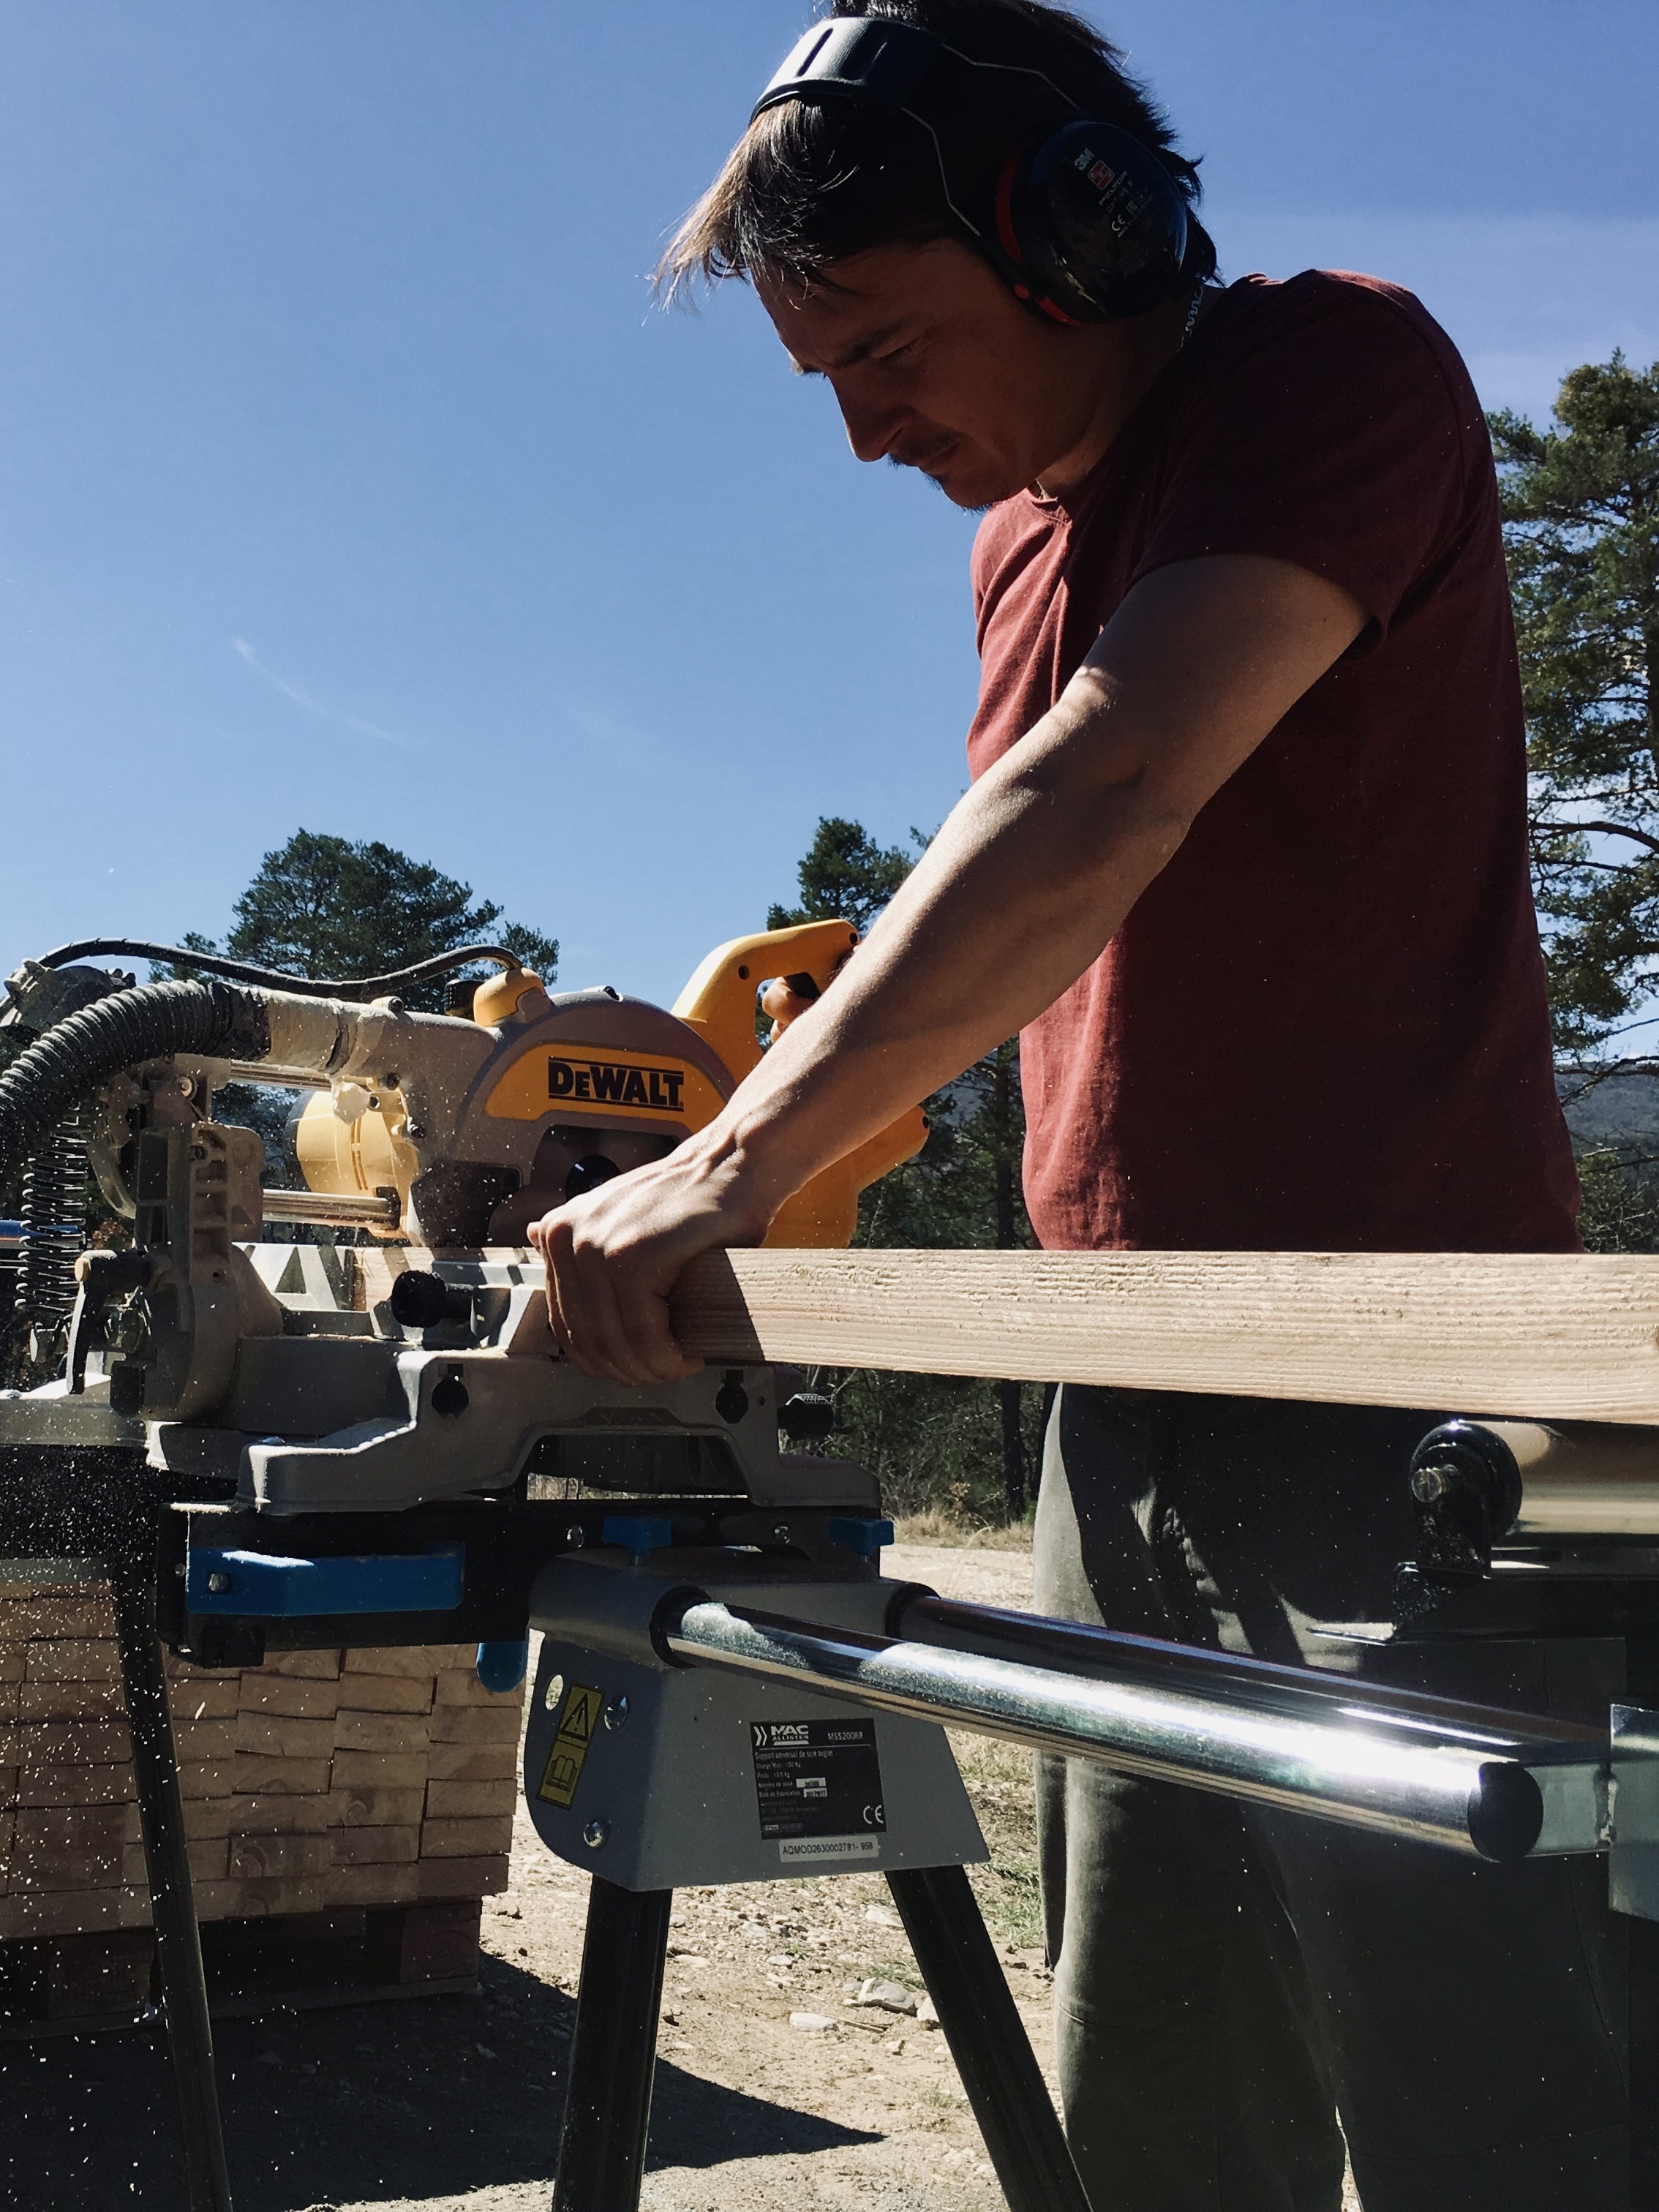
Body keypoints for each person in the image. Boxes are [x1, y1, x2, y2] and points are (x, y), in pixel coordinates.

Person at [529, 4, 1626, 2205]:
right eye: (822, 378)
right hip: (1109, 1388)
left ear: (1080, 227)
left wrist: (734, 1164)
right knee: (1148, 2069)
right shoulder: (1018, 540)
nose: (861, 433)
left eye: (884, 348)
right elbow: (1038, 906)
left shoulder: (1320, 370)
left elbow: (1105, 793)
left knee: (1479, 2084)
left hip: (1405, 1391)